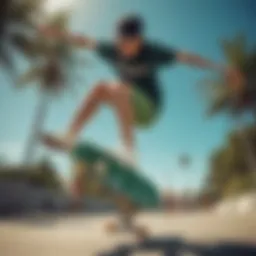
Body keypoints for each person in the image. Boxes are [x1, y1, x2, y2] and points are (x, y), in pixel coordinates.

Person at [40, 15, 243, 163]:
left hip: (150, 108)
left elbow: (188, 57)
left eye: (130, 43)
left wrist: (222, 68)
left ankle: (129, 151)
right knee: (99, 88)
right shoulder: (112, 50)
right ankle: (69, 137)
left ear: (140, 39)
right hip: (128, 107)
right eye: (121, 43)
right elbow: (84, 41)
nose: (125, 49)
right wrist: (56, 34)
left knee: (119, 88)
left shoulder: (153, 51)